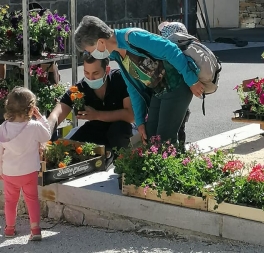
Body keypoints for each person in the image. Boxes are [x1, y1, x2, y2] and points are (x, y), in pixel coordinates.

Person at [74, 16, 205, 144]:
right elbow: (133, 89)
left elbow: (170, 50)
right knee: (150, 136)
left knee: (165, 140)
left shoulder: (132, 37)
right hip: (159, 92)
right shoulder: (117, 54)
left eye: (89, 51)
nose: (91, 55)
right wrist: (140, 122)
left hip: (177, 86)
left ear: (101, 42)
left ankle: (178, 163)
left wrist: (192, 80)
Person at [47, 56, 134, 164]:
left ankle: (123, 166)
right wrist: (45, 133)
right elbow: (56, 114)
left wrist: (97, 115)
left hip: (121, 130)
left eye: (96, 73)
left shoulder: (119, 79)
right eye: (86, 73)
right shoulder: (80, 88)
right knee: (69, 148)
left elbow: (131, 115)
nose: (90, 78)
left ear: (107, 70)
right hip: (95, 130)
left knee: (117, 131)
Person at [0, 87, 51, 240]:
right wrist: (41, 118)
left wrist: (0, 170)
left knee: (10, 201)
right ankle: (35, 230)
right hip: (29, 171)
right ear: (31, 109)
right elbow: (47, 135)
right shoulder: (34, 126)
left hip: (9, 172)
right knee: (32, 199)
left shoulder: (2, 129)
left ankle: (9, 229)